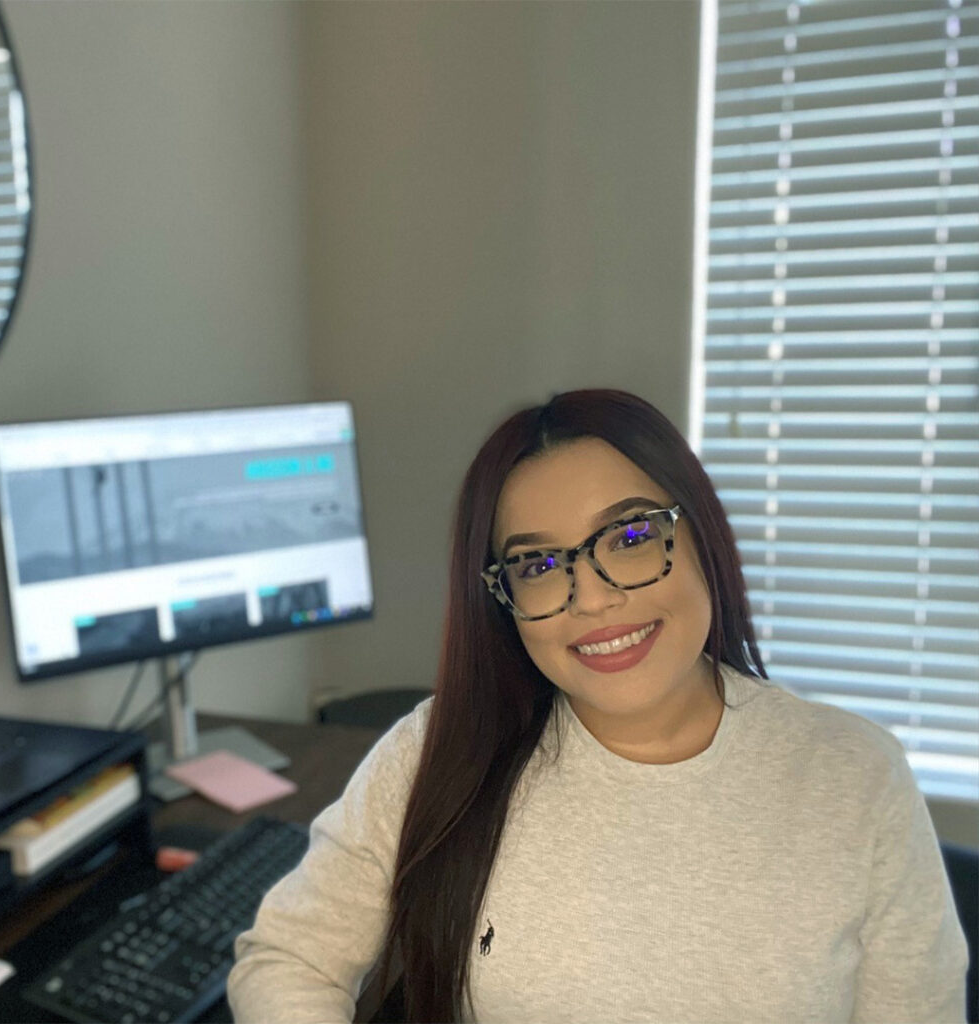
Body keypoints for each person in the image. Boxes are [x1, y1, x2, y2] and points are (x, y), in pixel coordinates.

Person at [228, 388, 968, 1024]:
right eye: (538, 564)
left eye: (632, 535)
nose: (592, 598)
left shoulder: (856, 777)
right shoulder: (440, 752)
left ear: (702, 534)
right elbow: (288, 960)